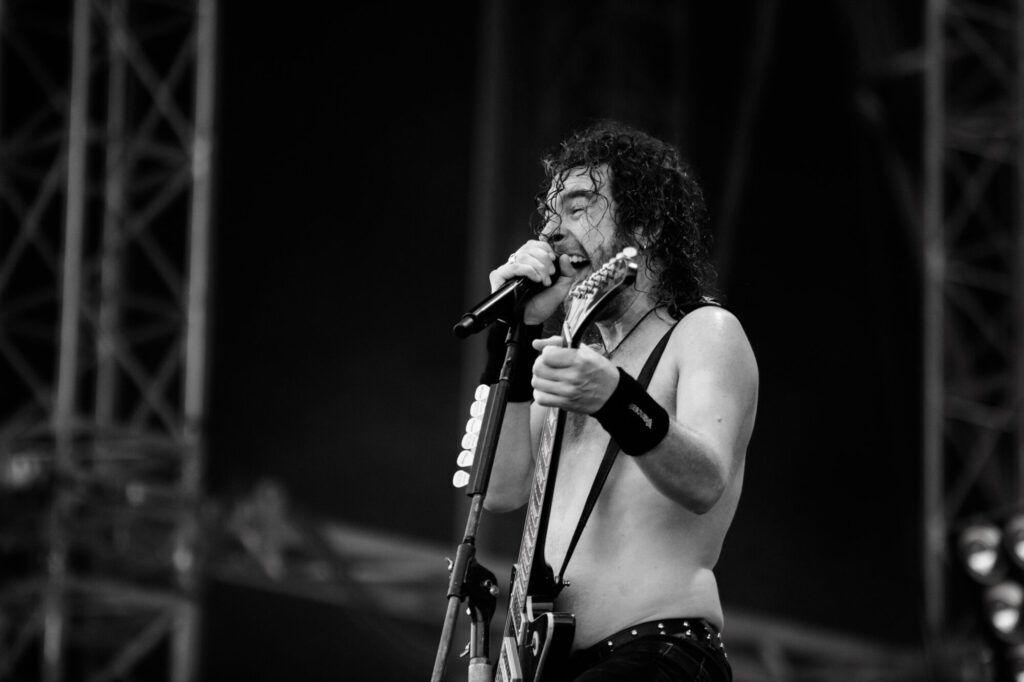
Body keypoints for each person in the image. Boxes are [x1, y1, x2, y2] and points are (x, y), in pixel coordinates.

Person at [481, 120, 758, 681]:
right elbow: (503, 490)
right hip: (552, 661)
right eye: (550, 215)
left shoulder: (705, 332)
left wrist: (614, 398)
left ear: (647, 225)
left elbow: (706, 482)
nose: (553, 232)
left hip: (660, 652)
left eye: (579, 207)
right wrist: (512, 332)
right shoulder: (573, 355)